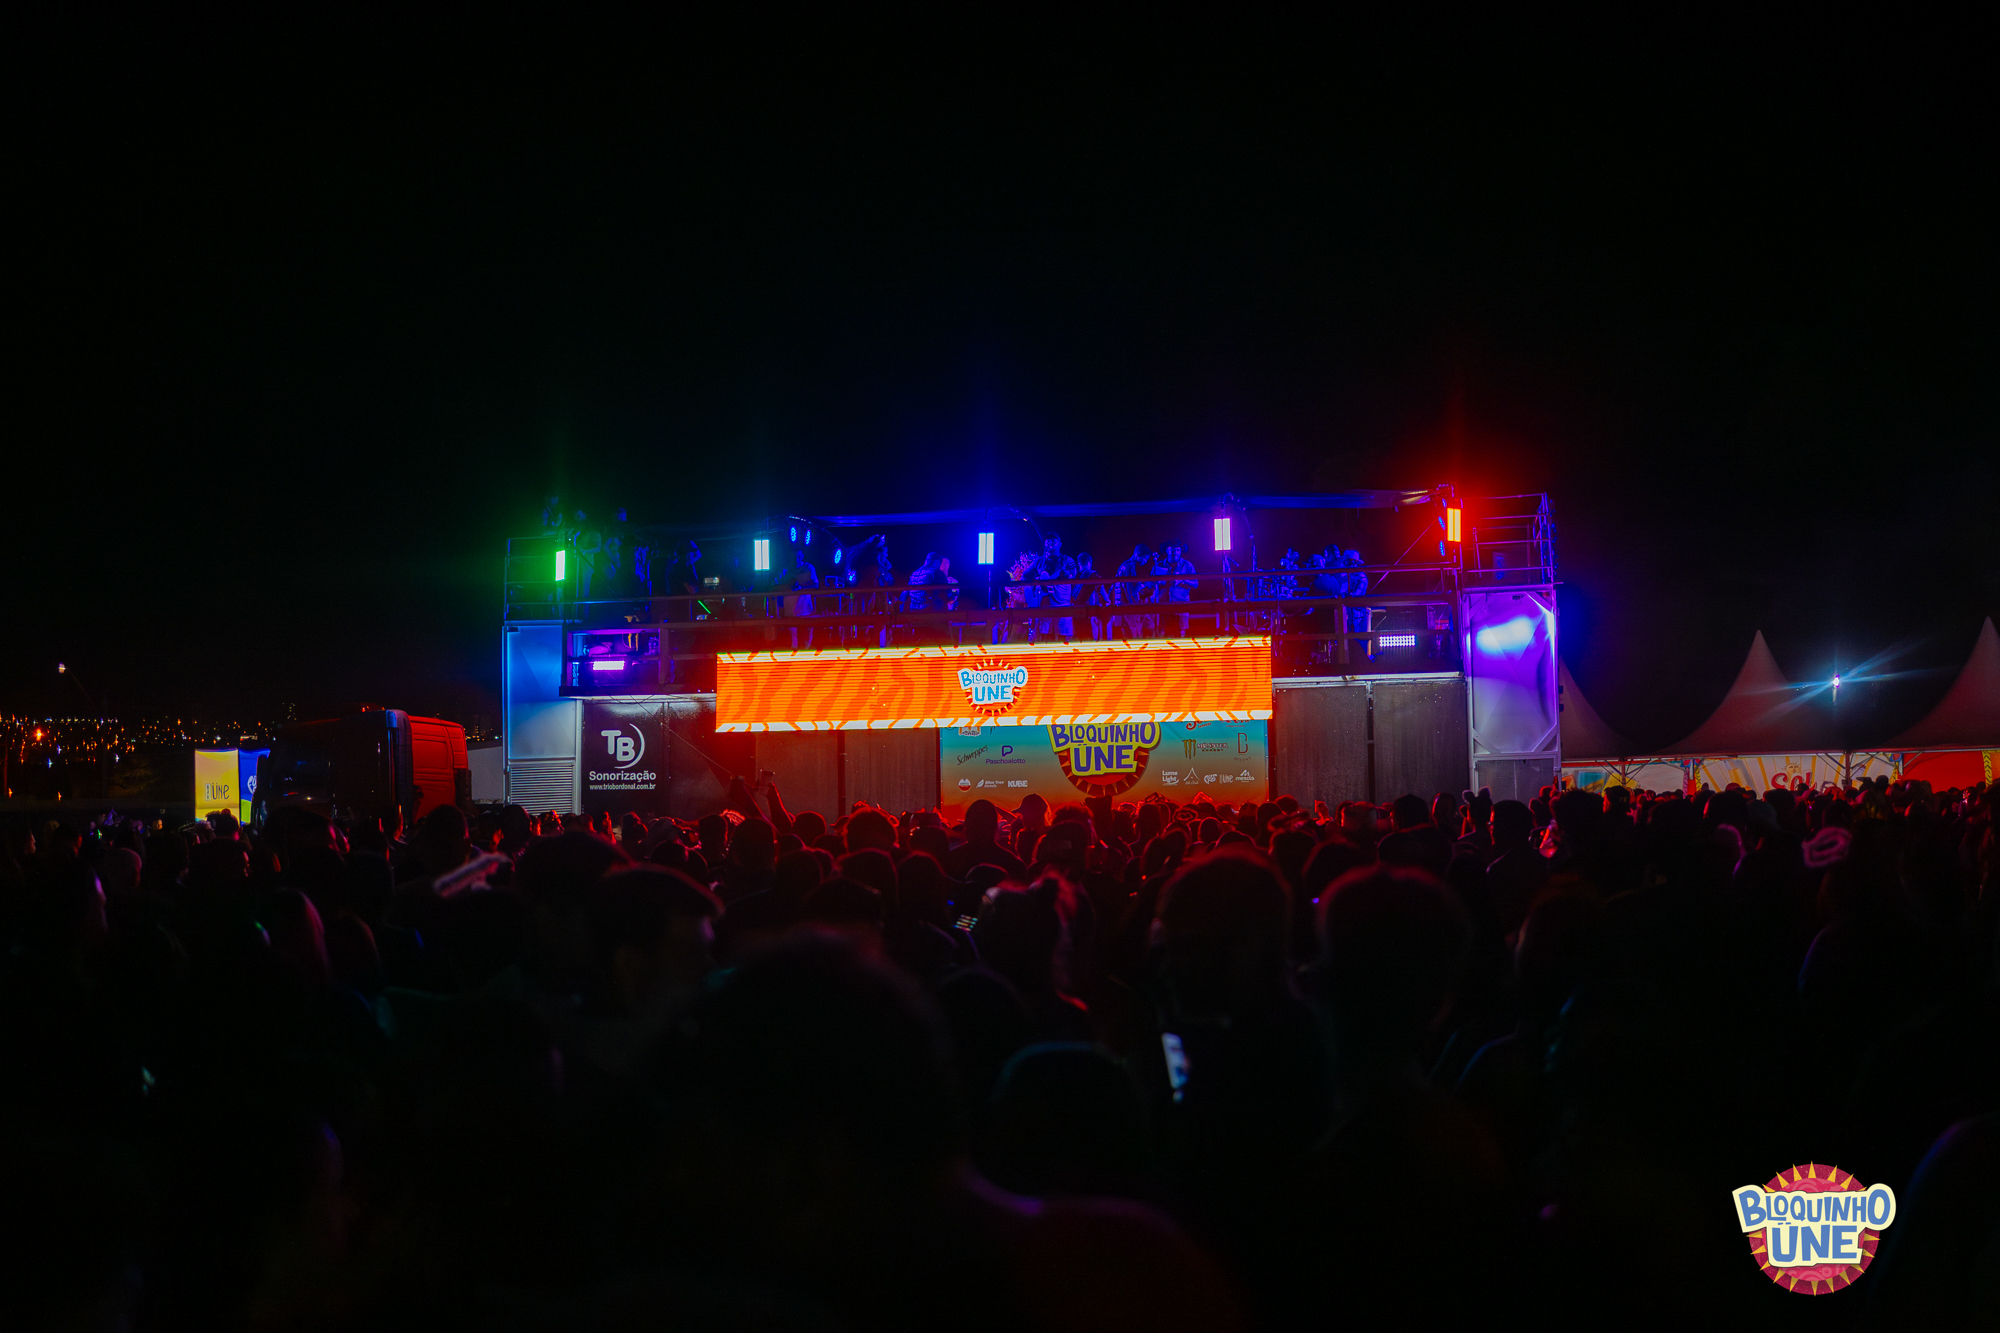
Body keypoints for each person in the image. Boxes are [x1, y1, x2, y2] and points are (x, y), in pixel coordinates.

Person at [1037, 532, 1077, 639]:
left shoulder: (1067, 560)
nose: (1050, 543)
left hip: (1063, 605)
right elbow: (1026, 576)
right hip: (1045, 605)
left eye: (1053, 541)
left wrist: (1067, 575)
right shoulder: (1040, 561)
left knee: (1063, 639)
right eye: (1048, 541)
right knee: (1045, 637)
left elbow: (1074, 574)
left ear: (1060, 544)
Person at [1155, 540, 1197, 639]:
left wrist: (1183, 580)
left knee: (1181, 632)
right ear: (1167, 550)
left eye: (1178, 550)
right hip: (1163, 605)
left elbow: (1195, 584)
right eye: (1172, 550)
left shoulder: (1187, 565)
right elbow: (1151, 583)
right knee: (1162, 632)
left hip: (1181, 605)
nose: (1175, 553)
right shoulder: (1159, 565)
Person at [1116, 543, 1155, 638]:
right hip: (1128, 609)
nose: (1145, 562)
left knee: (1149, 626)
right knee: (1134, 639)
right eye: (1145, 559)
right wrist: (1145, 584)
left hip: (1123, 607)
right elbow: (1131, 591)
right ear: (1138, 555)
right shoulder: (1130, 567)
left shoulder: (1125, 565)